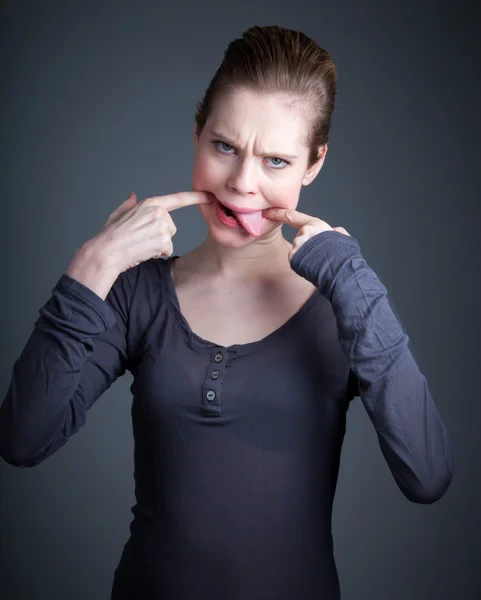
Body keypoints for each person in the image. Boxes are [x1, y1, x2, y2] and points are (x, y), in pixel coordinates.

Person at [0, 25, 454, 600]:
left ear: (313, 164)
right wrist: (92, 267)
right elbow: (22, 438)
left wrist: (353, 283)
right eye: (224, 147)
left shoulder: (345, 304)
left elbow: (428, 475)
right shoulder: (138, 293)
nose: (243, 184)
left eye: (277, 161)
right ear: (196, 132)